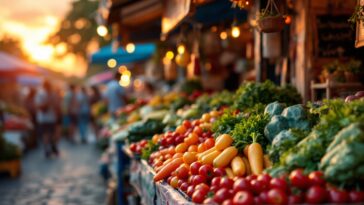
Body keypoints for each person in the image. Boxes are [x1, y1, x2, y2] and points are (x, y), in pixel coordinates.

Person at [34, 81, 59, 158]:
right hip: (48, 118)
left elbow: (36, 105)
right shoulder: (46, 94)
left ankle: (48, 148)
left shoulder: (41, 94)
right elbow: (57, 105)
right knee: (49, 134)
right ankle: (50, 148)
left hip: (44, 118)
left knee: (48, 134)